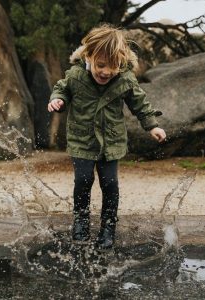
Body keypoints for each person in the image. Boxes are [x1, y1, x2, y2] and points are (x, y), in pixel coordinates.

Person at [48, 24, 166, 249]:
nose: (106, 72)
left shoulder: (125, 79)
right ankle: (81, 221)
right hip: (82, 139)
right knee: (83, 180)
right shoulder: (75, 76)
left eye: (112, 66)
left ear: (121, 61)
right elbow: (61, 89)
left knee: (110, 184)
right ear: (89, 55)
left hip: (111, 141)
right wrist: (58, 100)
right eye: (101, 65)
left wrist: (152, 126)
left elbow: (139, 103)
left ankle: (108, 227)